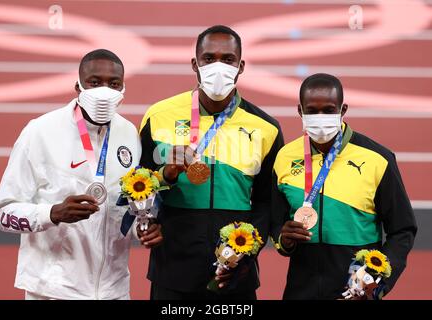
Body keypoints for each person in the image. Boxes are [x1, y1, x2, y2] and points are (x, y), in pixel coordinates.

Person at [0, 49, 162, 300]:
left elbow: (129, 208)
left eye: (113, 84)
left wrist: (143, 228)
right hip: (52, 290)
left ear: (123, 89)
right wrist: (52, 213)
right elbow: (1, 214)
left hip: (113, 291)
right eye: (94, 82)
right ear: (78, 86)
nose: (104, 91)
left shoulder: (129, 135)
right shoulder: (40, 132)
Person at [139, 25, 284, 300]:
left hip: (236, 274)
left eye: (228, 59)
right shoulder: (158, 116)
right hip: (172, 270)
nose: (218, 67)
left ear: (240, 66)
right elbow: (139, 183)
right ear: (195, 63)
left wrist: (248, 251)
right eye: (209, 58)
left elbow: (268, 202)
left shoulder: (266, 127)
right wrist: (151, 216)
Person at [270, 73, 417, 299]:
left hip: (356, 290)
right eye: (312, 110)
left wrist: (377, 282)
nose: (320, 117)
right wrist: (284, 239)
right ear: (300, 111)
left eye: (329, 110)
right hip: (300, 290)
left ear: (343, 109)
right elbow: (276, 221)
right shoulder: (284, 157)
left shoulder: (378, 158)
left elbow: (402, 230)